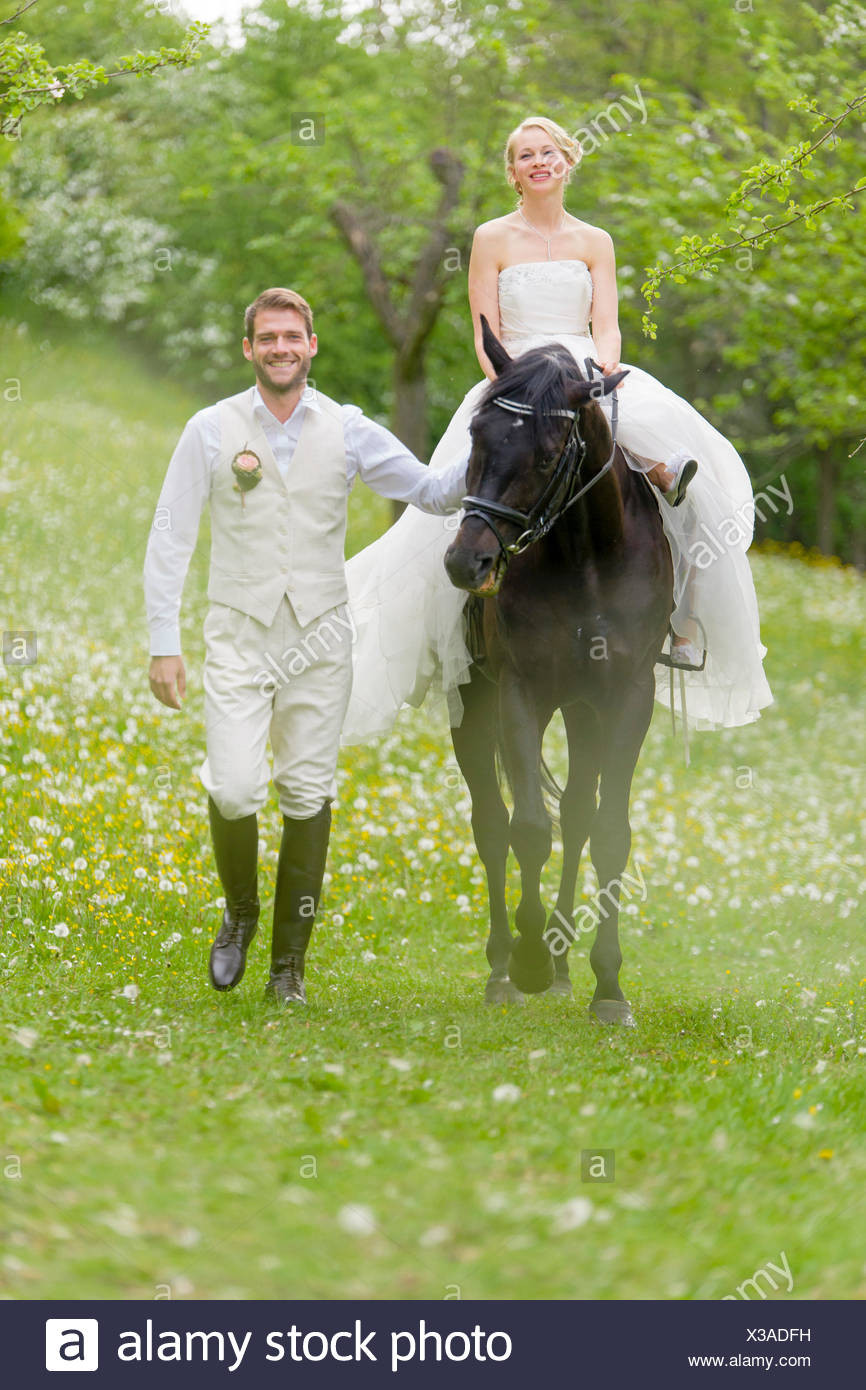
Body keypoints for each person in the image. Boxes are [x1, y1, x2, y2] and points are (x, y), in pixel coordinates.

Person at [342, 116, 772, 745]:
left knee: (694, 476)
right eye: (524, 155)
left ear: (567, 161)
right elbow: (485, 331)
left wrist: (603, 369)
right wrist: (511, 386)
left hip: (584, 367)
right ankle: (447, 630)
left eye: (547, 152)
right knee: (459, 490)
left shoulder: (596, 239)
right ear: (513, 173)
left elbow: (607, 323)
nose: (538, 162)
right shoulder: (490, 237)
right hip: (516, 377)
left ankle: (681, 621)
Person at [144, 288, 468, 1004]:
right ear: (249, 348)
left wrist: (495, 428)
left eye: (293, 336)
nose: (282, 347)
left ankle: (288, 968)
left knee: (307, 792)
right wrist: (162, 640)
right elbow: (170, 534)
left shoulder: (349, 430)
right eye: (268, 338)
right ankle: (240, 915)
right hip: (238, 635)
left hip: (322, 637)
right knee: (232, 787)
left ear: (312, 345)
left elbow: (432, 490)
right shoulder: (210, 427)